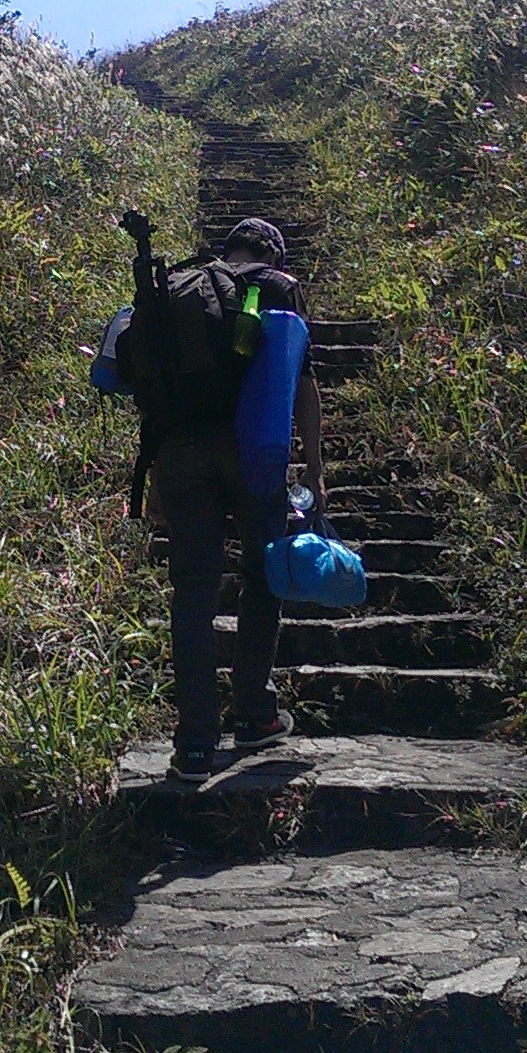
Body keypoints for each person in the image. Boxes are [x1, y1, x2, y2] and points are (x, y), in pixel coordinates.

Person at [150, 217, 326, 780]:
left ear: (228, 250)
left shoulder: (179, 288)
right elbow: (300, 384)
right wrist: (315, 468)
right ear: (273, 253)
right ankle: (253, 713)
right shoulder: (278, 286)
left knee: (194, 593)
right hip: (256, 449)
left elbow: (156, 390)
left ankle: (196, 744)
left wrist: (156, 474)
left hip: (182, 452)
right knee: (261, 575)